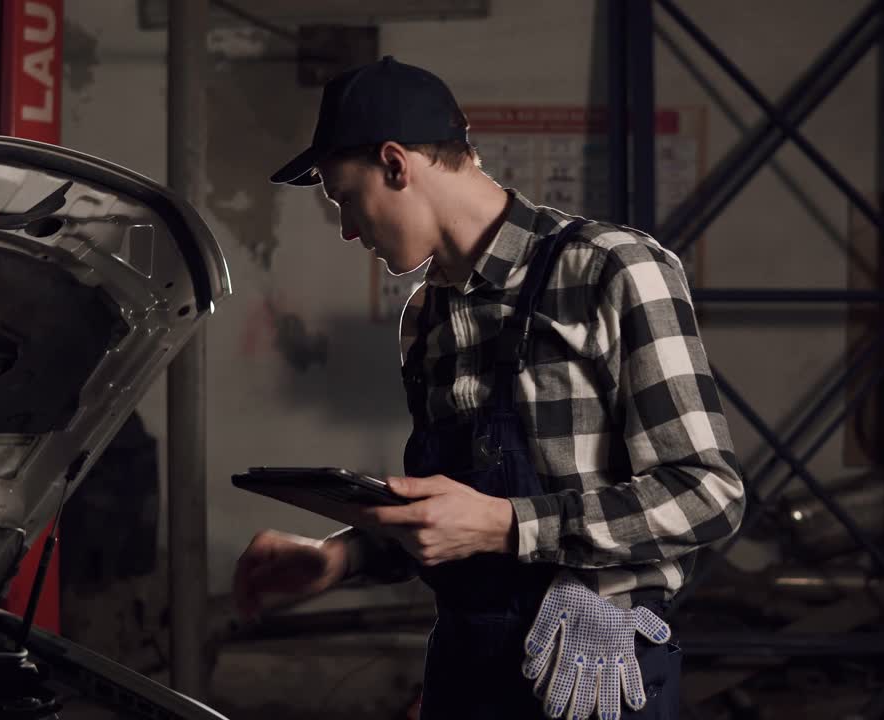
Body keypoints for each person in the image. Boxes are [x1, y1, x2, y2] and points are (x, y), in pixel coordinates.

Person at [233, 56, 746, 719]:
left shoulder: (613, 269)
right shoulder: (426, 318)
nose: (349, 230)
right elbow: (454, 521)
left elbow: (709, 493)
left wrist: (510, 524)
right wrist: (346, 556)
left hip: (595, 663)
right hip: (469, 665)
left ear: (396, 165)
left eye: (345, 198)